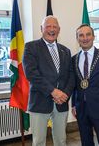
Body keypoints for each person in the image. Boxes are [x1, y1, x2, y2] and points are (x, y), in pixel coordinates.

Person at [23, 15, 74, 146]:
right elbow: (31, 74)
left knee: (61, 140)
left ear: (59, 30)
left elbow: (71, 75)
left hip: (61, 102)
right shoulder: (31, 47)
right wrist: (53, 91)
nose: (52, 29)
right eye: (48, 26)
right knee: (39, 141)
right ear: (42, 29)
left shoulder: (65, 51)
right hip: (39, 101)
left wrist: (64, 95)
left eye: (55, 27)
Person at [71, 24, 99, 146]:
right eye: (81, 35)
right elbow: (74, 85)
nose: (85, 38)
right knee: (86, 141)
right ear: (77, 39)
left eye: (88, 34)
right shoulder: (74, 59)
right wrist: (74, 104)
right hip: (81, 109)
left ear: (93, 37)